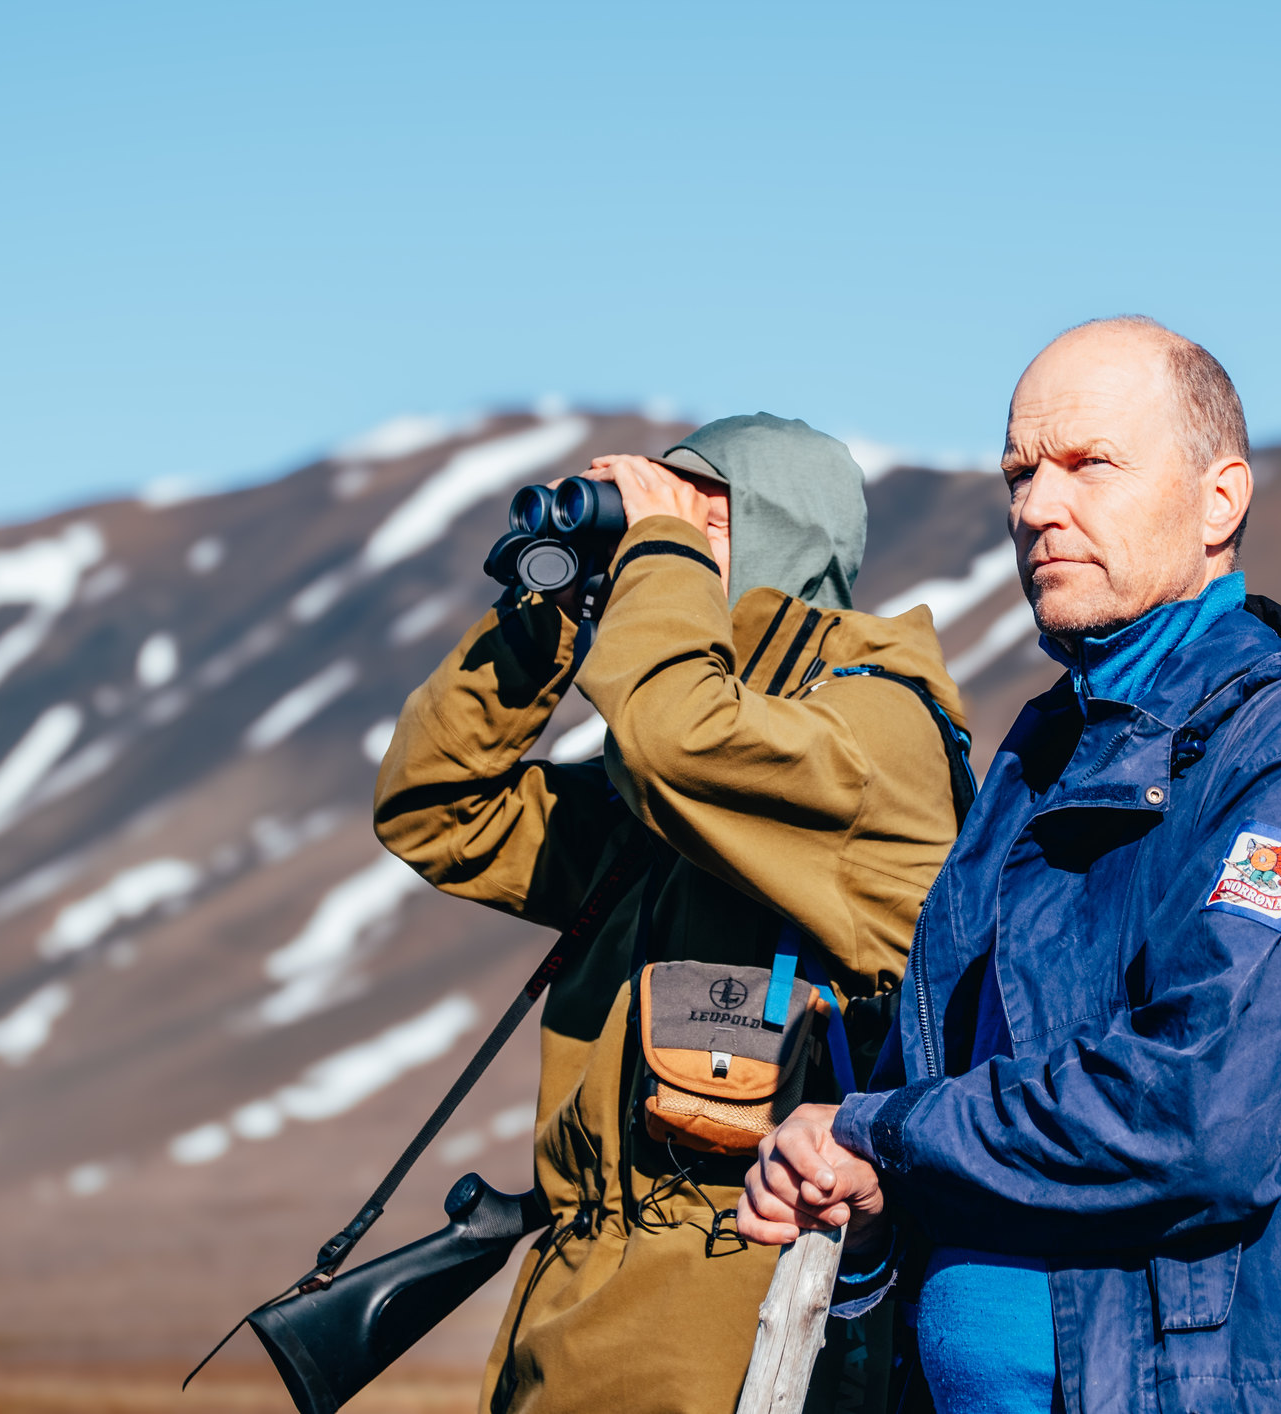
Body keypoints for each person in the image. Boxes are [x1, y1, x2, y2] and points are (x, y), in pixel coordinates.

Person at [738, 320, 1281, 1414]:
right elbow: (965, 1087)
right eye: (1020, 473)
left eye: (1089, 464)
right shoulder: (1046, 752)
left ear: (1221, 500)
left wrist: (882, 1128)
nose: (1035, 507)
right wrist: (872, 1183)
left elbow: (1197, 1112)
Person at [374, 414, 969, 1414]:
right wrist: (548, 615)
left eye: (691, 521)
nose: (651, 544)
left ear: (778, 535)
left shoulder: (871, 731)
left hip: (737, 1339)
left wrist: (657, 550)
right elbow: (438, 809)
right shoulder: (676, 783)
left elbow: (673, 740)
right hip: (570, 1334)